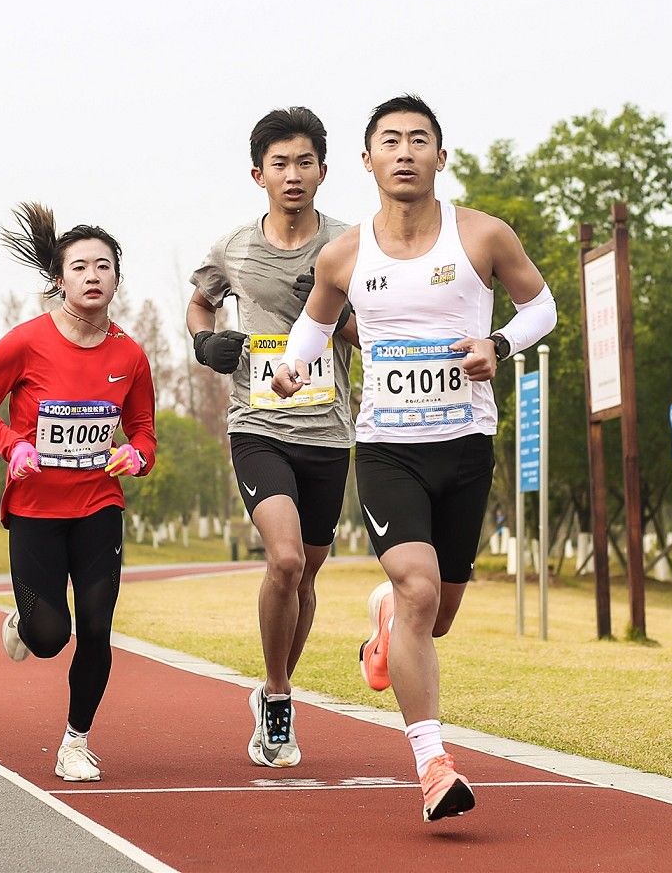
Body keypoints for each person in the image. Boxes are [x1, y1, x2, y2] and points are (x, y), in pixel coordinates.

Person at [273, 95, 556, 824]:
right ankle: (433, 764)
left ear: (440, 156)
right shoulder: (343, 254)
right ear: (368, 160)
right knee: (419, 588)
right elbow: (315, 326)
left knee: (437, 615)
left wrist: (499, 344)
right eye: (391, 141)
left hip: (464, 447)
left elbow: (542, 307)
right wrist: (293, 366)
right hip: (387, 449)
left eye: (419, 140)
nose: (405, 152)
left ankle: (388, 624)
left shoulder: (482, 235)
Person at [0, 204, 157, 784]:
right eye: (80, 267)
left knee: (95, 627)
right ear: (59, 278)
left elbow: (144, 432)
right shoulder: (25, 343)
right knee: (49, 638)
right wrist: (12, 446)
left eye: (103, 266)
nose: (93, 275)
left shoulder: (130, 355)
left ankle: (76, 741)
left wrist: (136, 457)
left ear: (117, 278)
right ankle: (26, 620)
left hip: (98, 505)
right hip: (35, 509)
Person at [186, 106, 355, 769]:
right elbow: (201, 301)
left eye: (304, 162)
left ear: (323, 170)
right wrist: (205, 341)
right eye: (279, 163)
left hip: (328, 429)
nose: (293, 174)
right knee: (284, 560)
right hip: (258, 424)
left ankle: (272, 689)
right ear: (258, 174)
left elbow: (372, 331)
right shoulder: (233, 247)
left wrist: (331, 310)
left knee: (307, 571)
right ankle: (280, 694)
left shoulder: (349, 244)